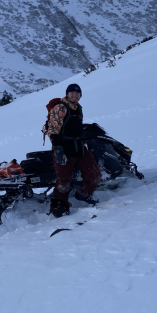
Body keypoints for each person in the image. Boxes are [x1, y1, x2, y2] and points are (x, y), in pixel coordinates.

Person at [45, 83, 102, 217]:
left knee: (94, 175)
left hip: (79, 147)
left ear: (80, 96)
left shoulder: (78, 108)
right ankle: (60, 204)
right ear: (67, 94)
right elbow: (52, 129)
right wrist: (58, 148)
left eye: (77, 93)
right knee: (63, 181)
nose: (74, 95)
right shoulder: (60, 108)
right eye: (72, 93)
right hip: (64, 149)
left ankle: (82, 195)